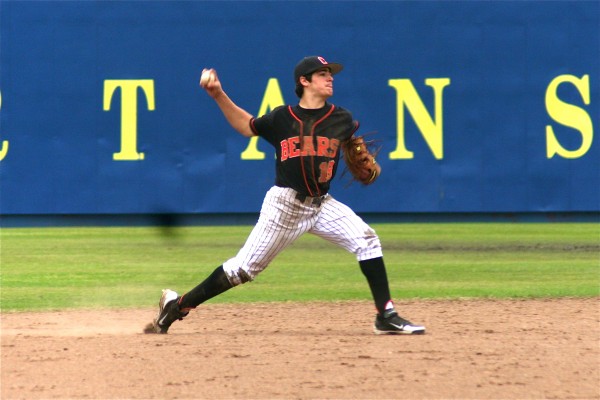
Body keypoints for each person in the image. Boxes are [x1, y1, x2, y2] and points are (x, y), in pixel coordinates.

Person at [147, 56, 425, 335]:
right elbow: (247, 126)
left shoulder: (341, 119)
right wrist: (218, 94)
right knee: (241, 270)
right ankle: (177, 305)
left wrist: (357, 153)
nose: (330, 78)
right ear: (304, 81)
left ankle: (386, 315)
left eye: (331, 74)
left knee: (367, 240)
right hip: (285, 207)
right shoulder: (283, 118)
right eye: (323, 74)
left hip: (322, 205)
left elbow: (352, 144)